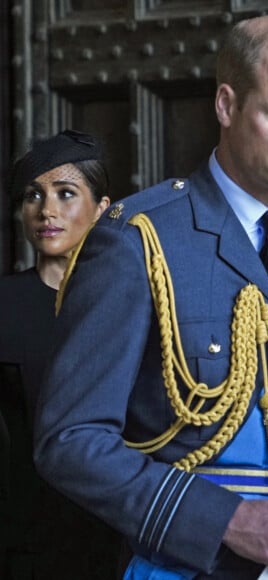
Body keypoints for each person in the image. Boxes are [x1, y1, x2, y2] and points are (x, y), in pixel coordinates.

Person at [33, 15, 268, 580]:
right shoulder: (138, 240)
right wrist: (226, 520)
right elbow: (70, 442)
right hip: (187, 564)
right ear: (226, 106)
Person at [0, 129, 122, 579]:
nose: (46, 210)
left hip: (119, 536)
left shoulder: (131, 306)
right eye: (33, 195)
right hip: (25, 545)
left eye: (65, 193)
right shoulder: (5, 304)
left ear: (102, 209)